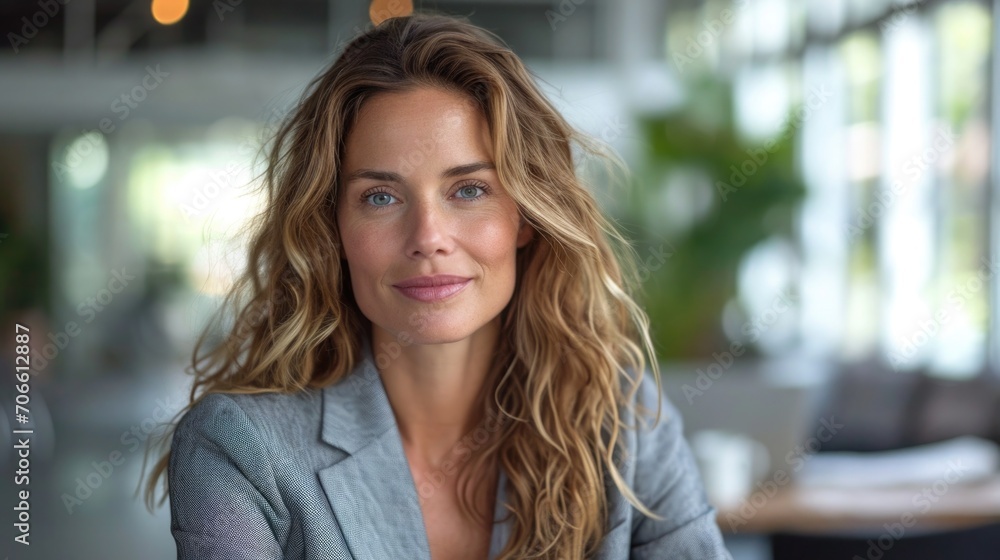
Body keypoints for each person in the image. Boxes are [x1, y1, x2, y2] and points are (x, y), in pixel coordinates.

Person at [143, 12, 733, 560]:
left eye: (468, 189)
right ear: (333, 229)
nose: (428, 237)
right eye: (380, 197)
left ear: (525, 216)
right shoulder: (240, 450)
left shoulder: (624, 426)